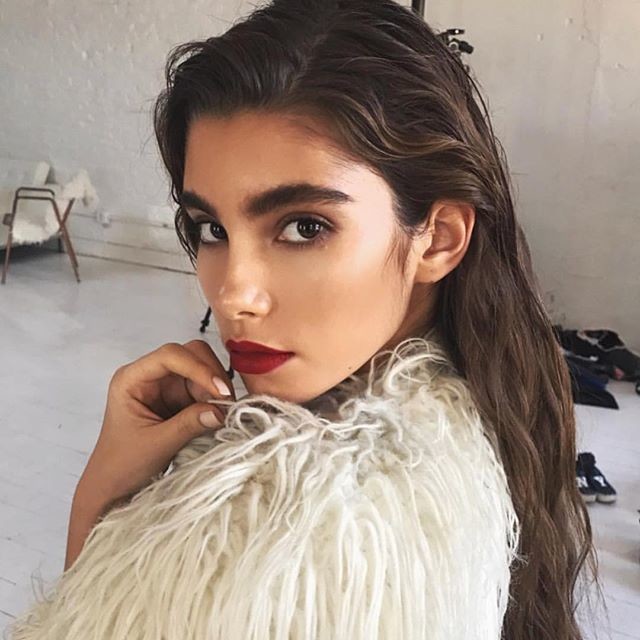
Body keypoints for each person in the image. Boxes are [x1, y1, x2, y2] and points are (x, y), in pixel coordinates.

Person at [8, 1, 605, 638]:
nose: (233, 295)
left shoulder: (294, 552)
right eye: (211, 228)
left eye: (304, 227)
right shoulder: (486, 424)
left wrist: (99, 496)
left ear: (437, 239)